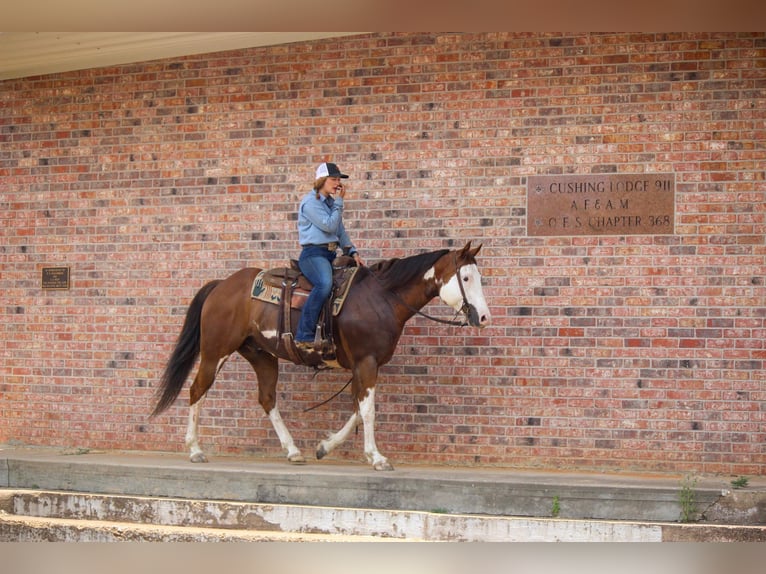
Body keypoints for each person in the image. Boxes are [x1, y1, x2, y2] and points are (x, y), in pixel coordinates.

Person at [295, 162, 363, 351]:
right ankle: (304, 335)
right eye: (333, 179)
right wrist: (340, 203)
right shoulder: (310, 202)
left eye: (339, 179)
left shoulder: (331, 204)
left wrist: (352, 251)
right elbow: (329, 226)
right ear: (321, 180)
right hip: (313, 254)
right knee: (324, 284)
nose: (338, 183)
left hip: (330, 254)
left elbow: (340, 231)